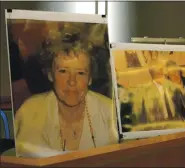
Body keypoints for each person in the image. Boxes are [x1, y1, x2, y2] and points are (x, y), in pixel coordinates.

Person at [14, 30, 118, 158]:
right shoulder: (29, 113)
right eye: (63, 71)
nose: (72, 82)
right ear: (51, 75)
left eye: (81, 73)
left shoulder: (110, 113)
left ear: (90, 78)